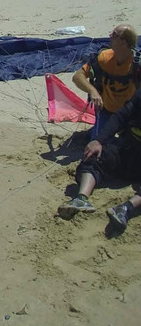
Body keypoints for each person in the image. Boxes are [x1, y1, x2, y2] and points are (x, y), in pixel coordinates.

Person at [57, 78, 141, 233]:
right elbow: (120, 117)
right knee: (93, 154)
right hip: (127, 148)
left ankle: (125, 209)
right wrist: (98, 140)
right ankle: (81, 199)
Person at [71, 24, 141, 132]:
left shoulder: (137, 64)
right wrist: (93, 91)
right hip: (107, 111)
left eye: (114, 34)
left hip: (130, 113)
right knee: (98, 140)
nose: (110, 36)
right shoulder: (104, 58)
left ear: (124, 42)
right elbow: (77, 77)